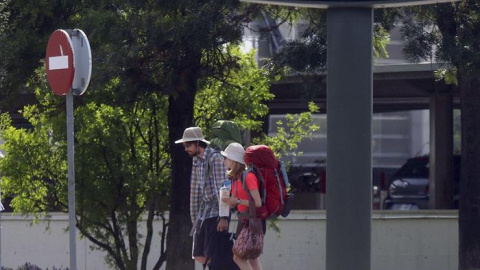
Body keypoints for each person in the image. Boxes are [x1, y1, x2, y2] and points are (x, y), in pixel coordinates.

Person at [175, 127, 236, 269]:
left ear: (198, 143)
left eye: (188, 145)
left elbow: (223, 189)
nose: (186, 149)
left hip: (216, 213)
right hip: (203, 216)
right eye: (184, 145)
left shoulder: (215, 158)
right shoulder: (197, 160)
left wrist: (224, 217)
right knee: (199, 255)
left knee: (214, 258)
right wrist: (195, 221)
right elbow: (195, 191)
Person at [221, 142, 264, 270]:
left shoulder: (248, 176)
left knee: (238, 257)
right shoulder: (235, 178)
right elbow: (236, 199)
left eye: (226, 157)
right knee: (252, 259)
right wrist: (230, 200)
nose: (224, 160)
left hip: (252, 221)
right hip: (244, 220)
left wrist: (237, 201)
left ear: (234, 160)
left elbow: (258, 203)